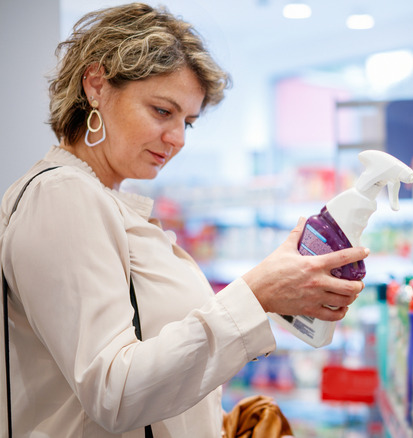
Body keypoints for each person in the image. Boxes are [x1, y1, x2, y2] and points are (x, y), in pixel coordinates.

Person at [0, 3, 368, 437]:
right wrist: (257, 294)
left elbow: (151, 371)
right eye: (161, 111)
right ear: (96, 85)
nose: (176, 139)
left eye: (188, 123)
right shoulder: (62, 196)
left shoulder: (102, 198)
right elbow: (113, 394)